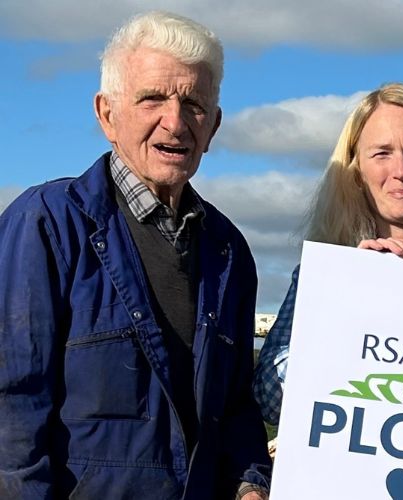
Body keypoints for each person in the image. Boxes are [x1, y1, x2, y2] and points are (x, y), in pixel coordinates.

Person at [0, 11, 270, 499]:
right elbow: (11, 407)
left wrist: (250, 484)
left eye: (194, 104)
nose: (175, 122)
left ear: (213, 125)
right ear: (107, 114)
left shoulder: (229, 250)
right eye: (152, 99)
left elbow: (235, 411)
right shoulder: (46, 223)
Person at [253, 83, 403, 425]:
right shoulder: (324, 277)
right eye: (382, 153)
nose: (401, 171)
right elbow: (270, 401)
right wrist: (351, 301)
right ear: (356, 172)